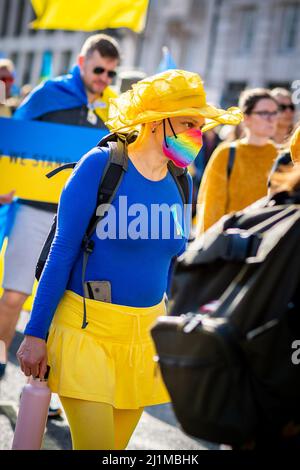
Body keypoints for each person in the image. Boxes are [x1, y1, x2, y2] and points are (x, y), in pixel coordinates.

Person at [16, 69, 242, 450]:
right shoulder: (100, 166)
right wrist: (35, 333)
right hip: (86, 331)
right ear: (156, 122)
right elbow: (61, 252)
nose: (197, 135)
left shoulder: (181, 179)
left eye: (200, 126)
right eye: (188, 123)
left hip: (144, 338)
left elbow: (174, 263)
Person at [0, 34, 120, 388]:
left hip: (82, 220)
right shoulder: (47, 95)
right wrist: (5, 182)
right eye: (99, 69)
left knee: (64, 304)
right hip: (34, 209)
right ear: (81, 63)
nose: (104, 78)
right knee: (14, 294)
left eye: (111, 73)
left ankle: (41, 386)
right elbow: (13, 140)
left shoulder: (112, 109)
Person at [196, 88, 279, 234]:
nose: (271, 119)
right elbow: (210, 208)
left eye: (274, 113)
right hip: (231, 247)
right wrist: (207, 246)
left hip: (271, 247)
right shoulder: (226, 153)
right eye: (264, 113)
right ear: (246, 118)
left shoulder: (282, 156)